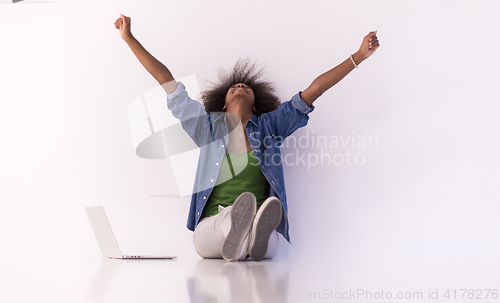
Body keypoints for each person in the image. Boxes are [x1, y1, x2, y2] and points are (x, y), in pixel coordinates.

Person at [114, 13, 380, 261]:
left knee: (270, 242)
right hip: (211, 228)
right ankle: (241, 230)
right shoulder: (206, 127)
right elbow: (167, 81)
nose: (240, 87)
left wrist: (358, 56)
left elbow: (314, 90)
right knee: (225, 226)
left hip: (256, 227)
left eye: (246, 88)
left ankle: (249, 236)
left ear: (255, 105)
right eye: (233, 88)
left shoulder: (270, 126)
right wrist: (128, 38)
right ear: (222, 105)